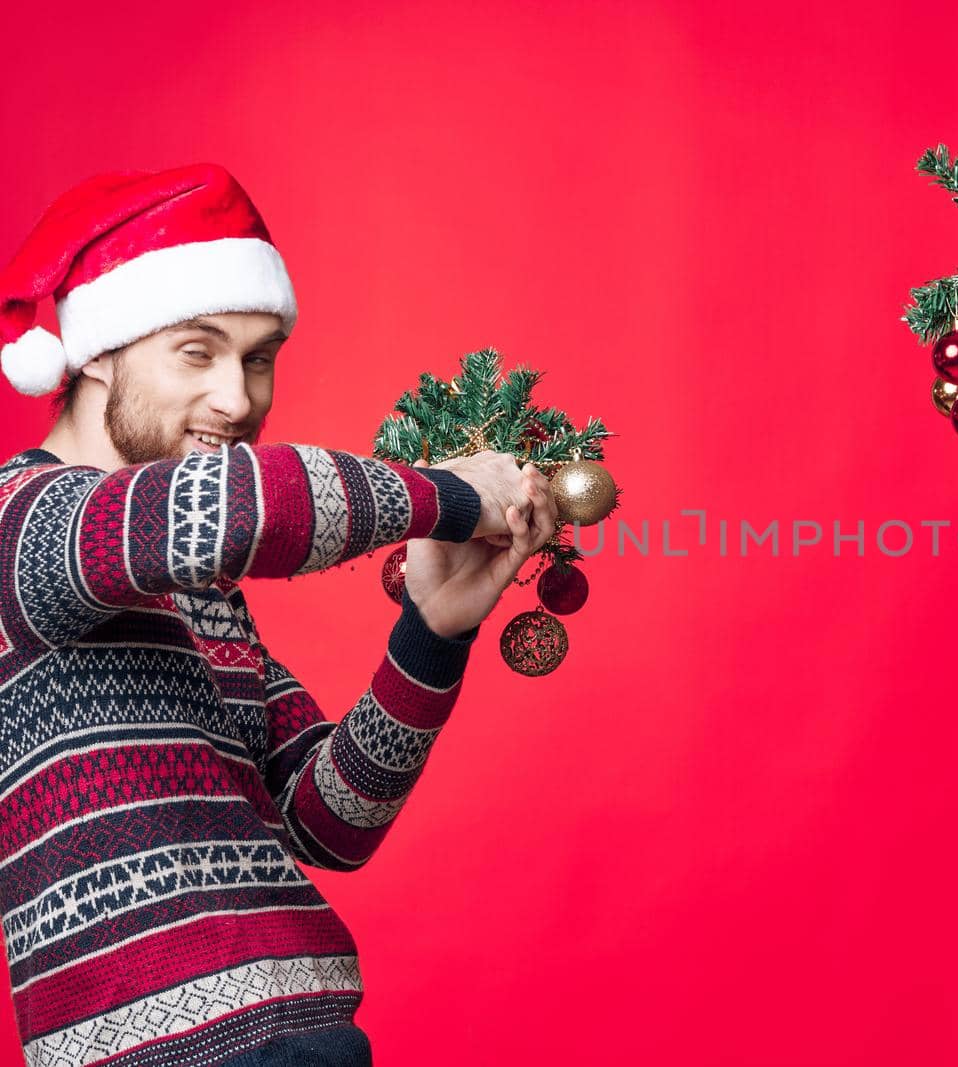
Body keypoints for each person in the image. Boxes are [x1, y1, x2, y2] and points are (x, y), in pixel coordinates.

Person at [0, 164, 556, 1066]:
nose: (238, 397)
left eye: (259, 357)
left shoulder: (204, 590)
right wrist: (455, 495)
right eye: (198, 350)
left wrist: (432, 629)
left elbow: (327, 820)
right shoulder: (21, 523)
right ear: (96, 349)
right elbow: (244, 505)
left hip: (318, 1037)